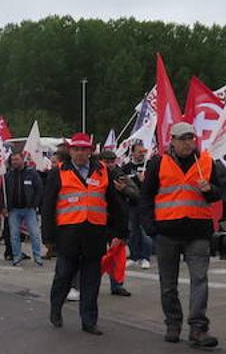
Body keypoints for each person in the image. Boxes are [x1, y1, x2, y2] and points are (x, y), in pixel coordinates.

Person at [139, 122, 225, 347]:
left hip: (198, 232)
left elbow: (218, 193)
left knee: (200, 279)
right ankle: (173, 323)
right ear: (172, 141)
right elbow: (146, 197)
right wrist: (151, 228)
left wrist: (210, 190)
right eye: (183, 139)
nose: (188, 143)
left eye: (191, 138)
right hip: (167, 233)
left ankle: (198, 328)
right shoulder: (158, 163)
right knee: (168, 283)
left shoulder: (205, 161)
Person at [42, 133, 126, 334]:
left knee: (91, 280)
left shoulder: (102, 171)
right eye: (76, 149)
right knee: (63, 276)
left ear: (90, 151)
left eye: (84, 149)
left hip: (94, 234)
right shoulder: (58, 172)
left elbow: (114, 204)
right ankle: (56, 308)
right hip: (68, 234)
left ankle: (89, 321)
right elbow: (48, 206)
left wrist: (119, 231)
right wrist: (49, 238)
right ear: (70, 151)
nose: (80, 153)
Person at [99, 149, 137, 297]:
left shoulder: (120, 176)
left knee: (116, 255)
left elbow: (136, 194)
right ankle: (90, 281)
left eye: (111, 162)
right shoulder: (95, 174)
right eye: (106, 162)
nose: (109, 165)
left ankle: (117, 284)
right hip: (99, 219)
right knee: (97, 255)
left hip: (117, 220)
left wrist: (124, 189)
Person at [1, 150, 44, 267]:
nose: (14, 162)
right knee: (14, 235)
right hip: (13, 210)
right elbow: (2, 192)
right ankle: (16, 256)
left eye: (17, 159)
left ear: (22, 159)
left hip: (29, 209)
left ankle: (37, 257)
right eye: (13, 160)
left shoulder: (32, 173)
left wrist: (35, 204)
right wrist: (3, 207)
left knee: (34, 234)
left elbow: (39, 189)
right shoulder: (8, 175)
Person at [121, 143, 154, 268]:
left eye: (143, 152)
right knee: (132, 231)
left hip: (146, 204)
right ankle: (134, 256)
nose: (142, 154)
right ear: (132, 152)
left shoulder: (149, 165)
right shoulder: (126, 168)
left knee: (145, 232)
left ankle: (145, 257)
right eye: (139, 151)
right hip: (132, 204)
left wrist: (144, 181)